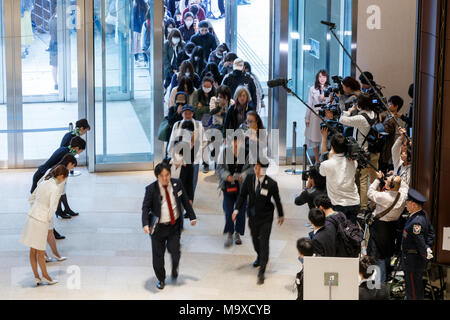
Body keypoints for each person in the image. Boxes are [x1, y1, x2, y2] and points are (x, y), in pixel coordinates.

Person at [141, 162, 197, 290]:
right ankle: (161, 279)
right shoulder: (151, 189)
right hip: (158, 229)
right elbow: (145, 208)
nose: (165, 178)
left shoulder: (177, 184)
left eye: (167, 175)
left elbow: (185, 201)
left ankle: (175, 267)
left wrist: (192, 216)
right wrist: (145, 224)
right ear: (157, 176)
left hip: (174, 226)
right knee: (158, 256)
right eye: (162, 176)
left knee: (175, 251)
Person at [232, 159, 284, 285]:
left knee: (264, 242)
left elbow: (277, 200)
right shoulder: (249, 179)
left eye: (258, 166)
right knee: (255, 240)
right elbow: (242, 195)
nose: (256, 168)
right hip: (253, 216)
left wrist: (281, 214)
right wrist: (237, 209)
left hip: (266, 217)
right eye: (256, 166)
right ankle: (260, 256)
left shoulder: (271, 184)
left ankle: (262, 270)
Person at [20, 165, 69, 286]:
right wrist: (46, 219)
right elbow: (52, 208)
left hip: (31, 216)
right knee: (41, 252)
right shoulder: (55, 188)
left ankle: (37, 277)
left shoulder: (43, 183)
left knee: (32, 251)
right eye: (65, 178)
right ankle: (46, 277)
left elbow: (31, 198)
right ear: (62, 176)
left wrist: (36, 209)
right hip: (41, 221)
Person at [339, 93, 379, 212]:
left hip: (361, 151)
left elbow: (342, 120)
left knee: (362, 180)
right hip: (371, 150)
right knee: (367, 179)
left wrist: (350, 110)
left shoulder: (361, 118)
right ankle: (367, 205)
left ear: (360, 104)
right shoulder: (373, 114)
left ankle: (362, 207)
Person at [367, 172, 408, 283]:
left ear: (390, 185)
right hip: (392, 227)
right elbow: (404, 185)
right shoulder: (403, 195)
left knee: (378, 256)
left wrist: (378, 180)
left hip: (380, 227)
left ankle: (380, 285)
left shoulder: (384, 196)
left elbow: (370, 193)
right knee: (387, 254)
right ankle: (386, 278)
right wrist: (394, 178)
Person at [32, 154, 78, 245]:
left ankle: (51, 233)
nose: (72, 168)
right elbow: (60, 193)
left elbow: (39, 182)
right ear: (69, 163)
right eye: (72, 166)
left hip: (38, 196)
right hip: (45, 200)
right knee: (46, 220)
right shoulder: (63, 175)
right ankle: (50, 234)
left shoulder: (53, 169)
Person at [216, 137, 252, 247]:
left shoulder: (247, 153)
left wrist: (243, 175)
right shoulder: (225, 152)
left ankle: (237, 233)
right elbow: (219, 168)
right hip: (228, 186)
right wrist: (227, 176)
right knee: (228, 209)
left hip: (242, 187)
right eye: (234, 143)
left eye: (239, 143)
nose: (236, 145)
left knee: (241, 210)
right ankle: (230, 233)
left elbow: (252, 168)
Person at [168, 105, 207, 202]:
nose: (188, 115)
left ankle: (189, 202)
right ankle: (181, 200)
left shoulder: (199, 125)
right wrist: (170, 155)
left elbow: (205, 140)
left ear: (193, 114)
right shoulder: (177, 125)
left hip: (194, 159)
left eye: (190, 113)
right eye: (186, 113)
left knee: (192, 183)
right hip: (180, 158)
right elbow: (172, 141)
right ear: (182, 114)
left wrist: (198, 149)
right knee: (180, 180)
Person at [401, 189, 435, 300]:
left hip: (413, 261)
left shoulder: (416, 221)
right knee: (415, 287)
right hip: (414, 259)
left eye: (407, 203)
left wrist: (425, 250)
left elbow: (419, 240)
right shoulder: (422, 214)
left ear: (414, 205)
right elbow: (431, 232)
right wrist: (428, 246)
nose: (406, 206)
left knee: (413, 290)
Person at [319, 132, 360, 224]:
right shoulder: (353, 162)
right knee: (351, 232)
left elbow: (322, 173)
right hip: (354, 202)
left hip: (338, 204)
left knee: (338, 234)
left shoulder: (327, 164)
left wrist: (329, 158)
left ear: (332, 147)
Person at [305, 70, 330, 163]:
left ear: (326, 78)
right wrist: (307, 118)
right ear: (317, 78)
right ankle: (317, 160)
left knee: (325, 138)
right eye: (320, 77)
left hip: (326, 116)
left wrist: (325, 98)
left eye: (324, 77)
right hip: (315, 116)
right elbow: (309, 104)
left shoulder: (329, 88)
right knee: (315, 139)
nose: (322, 79)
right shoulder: (312, 89)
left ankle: (324, 158)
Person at [380, 96, 404, 173]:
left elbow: (387, 131)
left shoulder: (393, 119)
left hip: (390, 147)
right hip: (387, 147)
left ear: (396, 106)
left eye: (390, 104)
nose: (388, 106)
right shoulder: (389, 116)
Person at [132, 0, 149, 65]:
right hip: (140, 28)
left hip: (138, 29)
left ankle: (138, 59)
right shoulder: (143, 5)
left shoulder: (136, 5)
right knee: (141, 44)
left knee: (137, 45)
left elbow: (134, 19)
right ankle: (144, 60)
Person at [48, 12, 58, 91]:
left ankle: (56, 83)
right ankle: (57, 83)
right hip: (57, 44)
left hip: (53, 43)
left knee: (54, 65)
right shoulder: (57, 20)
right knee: (56, 65)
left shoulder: (51, 19)